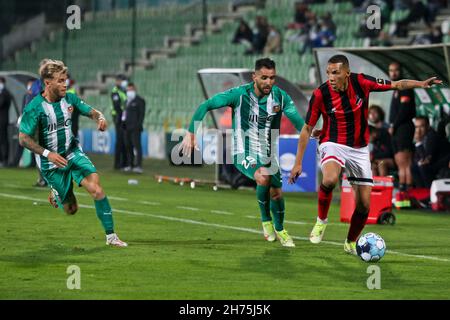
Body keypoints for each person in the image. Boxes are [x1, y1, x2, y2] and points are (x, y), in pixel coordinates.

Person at [288, 54, 441, 255]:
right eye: (328, 73)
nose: (331, 77)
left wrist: (421, 83)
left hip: (359, 149)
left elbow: (397, 85)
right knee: (330, 179)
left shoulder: (361, 82)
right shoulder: (320, 94)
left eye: (335, 73)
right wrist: (298, 162)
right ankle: (321, 220)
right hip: (332, 143)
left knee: (364, 206)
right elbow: (307, 129)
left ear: (347, 73)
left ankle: (350, 242)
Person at [180, 58, 305, 247]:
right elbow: (205, 105)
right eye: (264, 77)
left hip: (268, 154)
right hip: (242, 152)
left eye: (272, 78)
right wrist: (191, 132)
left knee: (277, 194)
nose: (268, 82)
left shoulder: (280, 97)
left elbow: (298, 122)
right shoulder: (239, 95)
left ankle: (280, 229)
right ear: (254, 77)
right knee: (263, 178)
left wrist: (312, 131)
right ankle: (266, 222)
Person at [19, 59, 127, 247]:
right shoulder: (35, 107)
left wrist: (100, 118)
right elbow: (23, 139)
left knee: (97, 189)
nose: (64, 84)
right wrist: (47, 154)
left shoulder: (69, 98)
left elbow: (91, 111)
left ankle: (111, 236)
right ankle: (57, 193)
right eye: (60, 80)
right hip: (51, 163)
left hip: (72, 152)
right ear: (47, 83)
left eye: (65, 79)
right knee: (72, 209)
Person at [388, 62, 415, 199]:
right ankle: (403, 192)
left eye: (396, 70)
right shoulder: (396, 88)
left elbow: (405, 110)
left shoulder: (405, 87)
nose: (393, 73)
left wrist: (394, 125)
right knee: (400, 162)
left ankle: (408, 193)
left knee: (405, 162)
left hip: (403, 128)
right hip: (397, 129)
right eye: (391, 71)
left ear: (401, 71)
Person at [412, 116, 450, 188]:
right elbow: (417, 157)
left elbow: (426, 158)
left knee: (423, 167)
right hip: (432, 163)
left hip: (441, 165)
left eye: (421, 126)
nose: (418, 130)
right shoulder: (423, 136)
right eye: (416, 127)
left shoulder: (432, 136)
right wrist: (418, 162)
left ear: (428, 126)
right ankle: (421, 192)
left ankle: (429, 192)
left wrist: (418, 142)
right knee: (414, 166)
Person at [122, 82, 145, 173]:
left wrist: (138, 125)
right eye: (128, 90)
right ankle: (130, 164)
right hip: (126, 127)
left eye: (131, 90)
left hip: (135, 128)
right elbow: (124, 113)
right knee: (128, 146)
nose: (129, 91)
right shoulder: (126, 101)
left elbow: (141, 115)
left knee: (137, 146)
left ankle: (138, 166)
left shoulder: (140, 100)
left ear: (135, 90)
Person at [111, 74, 128, 170]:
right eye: (121, 80)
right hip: (118, 118)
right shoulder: (115, 92)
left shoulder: (124, 91)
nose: (122, 82)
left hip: (124, 118)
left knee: (125, 140)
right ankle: (118, 164)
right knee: (120, 140)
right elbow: (117, 106)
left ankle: (124, 163)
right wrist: (122, 116)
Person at [0, 76, 12, 167]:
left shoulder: (6, 93)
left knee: (3, 140)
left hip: (2, 120)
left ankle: (5, 160)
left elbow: (2, 104)